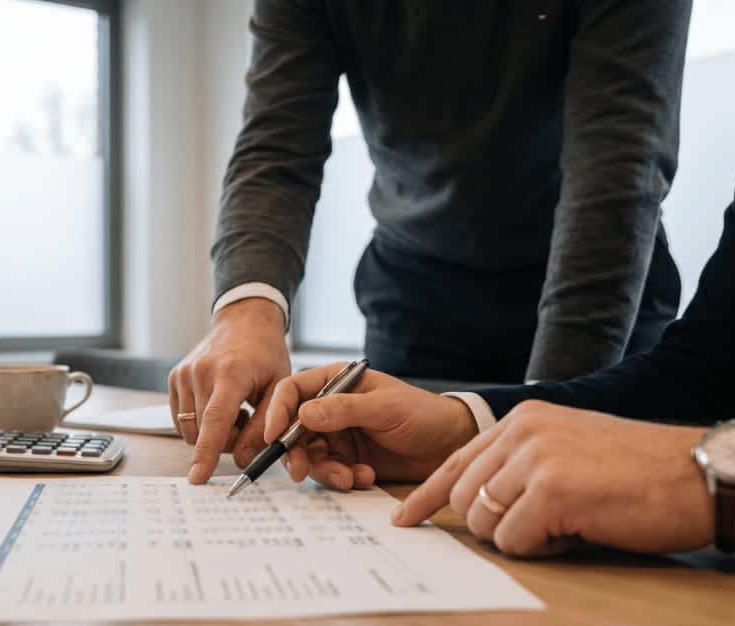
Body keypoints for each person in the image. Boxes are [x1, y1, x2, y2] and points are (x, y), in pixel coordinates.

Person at [262, 6, 735, 580]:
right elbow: (711, 381)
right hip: (413, 295)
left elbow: (616, 172)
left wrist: (715, 478)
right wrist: (464, 428)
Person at [172, 1, 693, 485]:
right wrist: (246, 310)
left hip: (599, 302)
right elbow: (276, 148)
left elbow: (615, 172)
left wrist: (550, 407)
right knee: (394, 515)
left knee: (577, 503)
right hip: (415, 302)